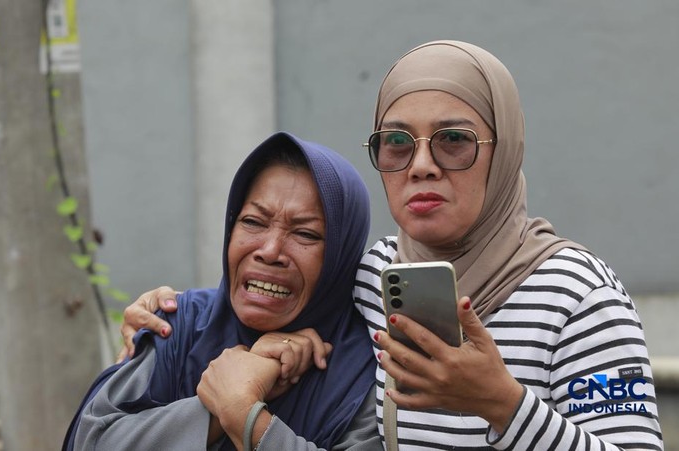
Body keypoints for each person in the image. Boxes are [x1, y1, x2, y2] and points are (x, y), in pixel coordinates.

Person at [121, 41, 663, 449]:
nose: (422, 165)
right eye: (397, 143)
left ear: (506, 150)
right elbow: (272, 284)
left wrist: (503, 403)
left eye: (455, 141)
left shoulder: (578, 295)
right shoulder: (372, 277)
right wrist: (164, 314)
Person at [63, 132, 381, 450]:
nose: (270, 251)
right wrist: (213, 412)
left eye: (305, 233)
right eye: (254, 222)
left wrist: (244, 413)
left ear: (342, 253)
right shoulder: (178, 325)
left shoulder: (368, 375)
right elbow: (91, 440)